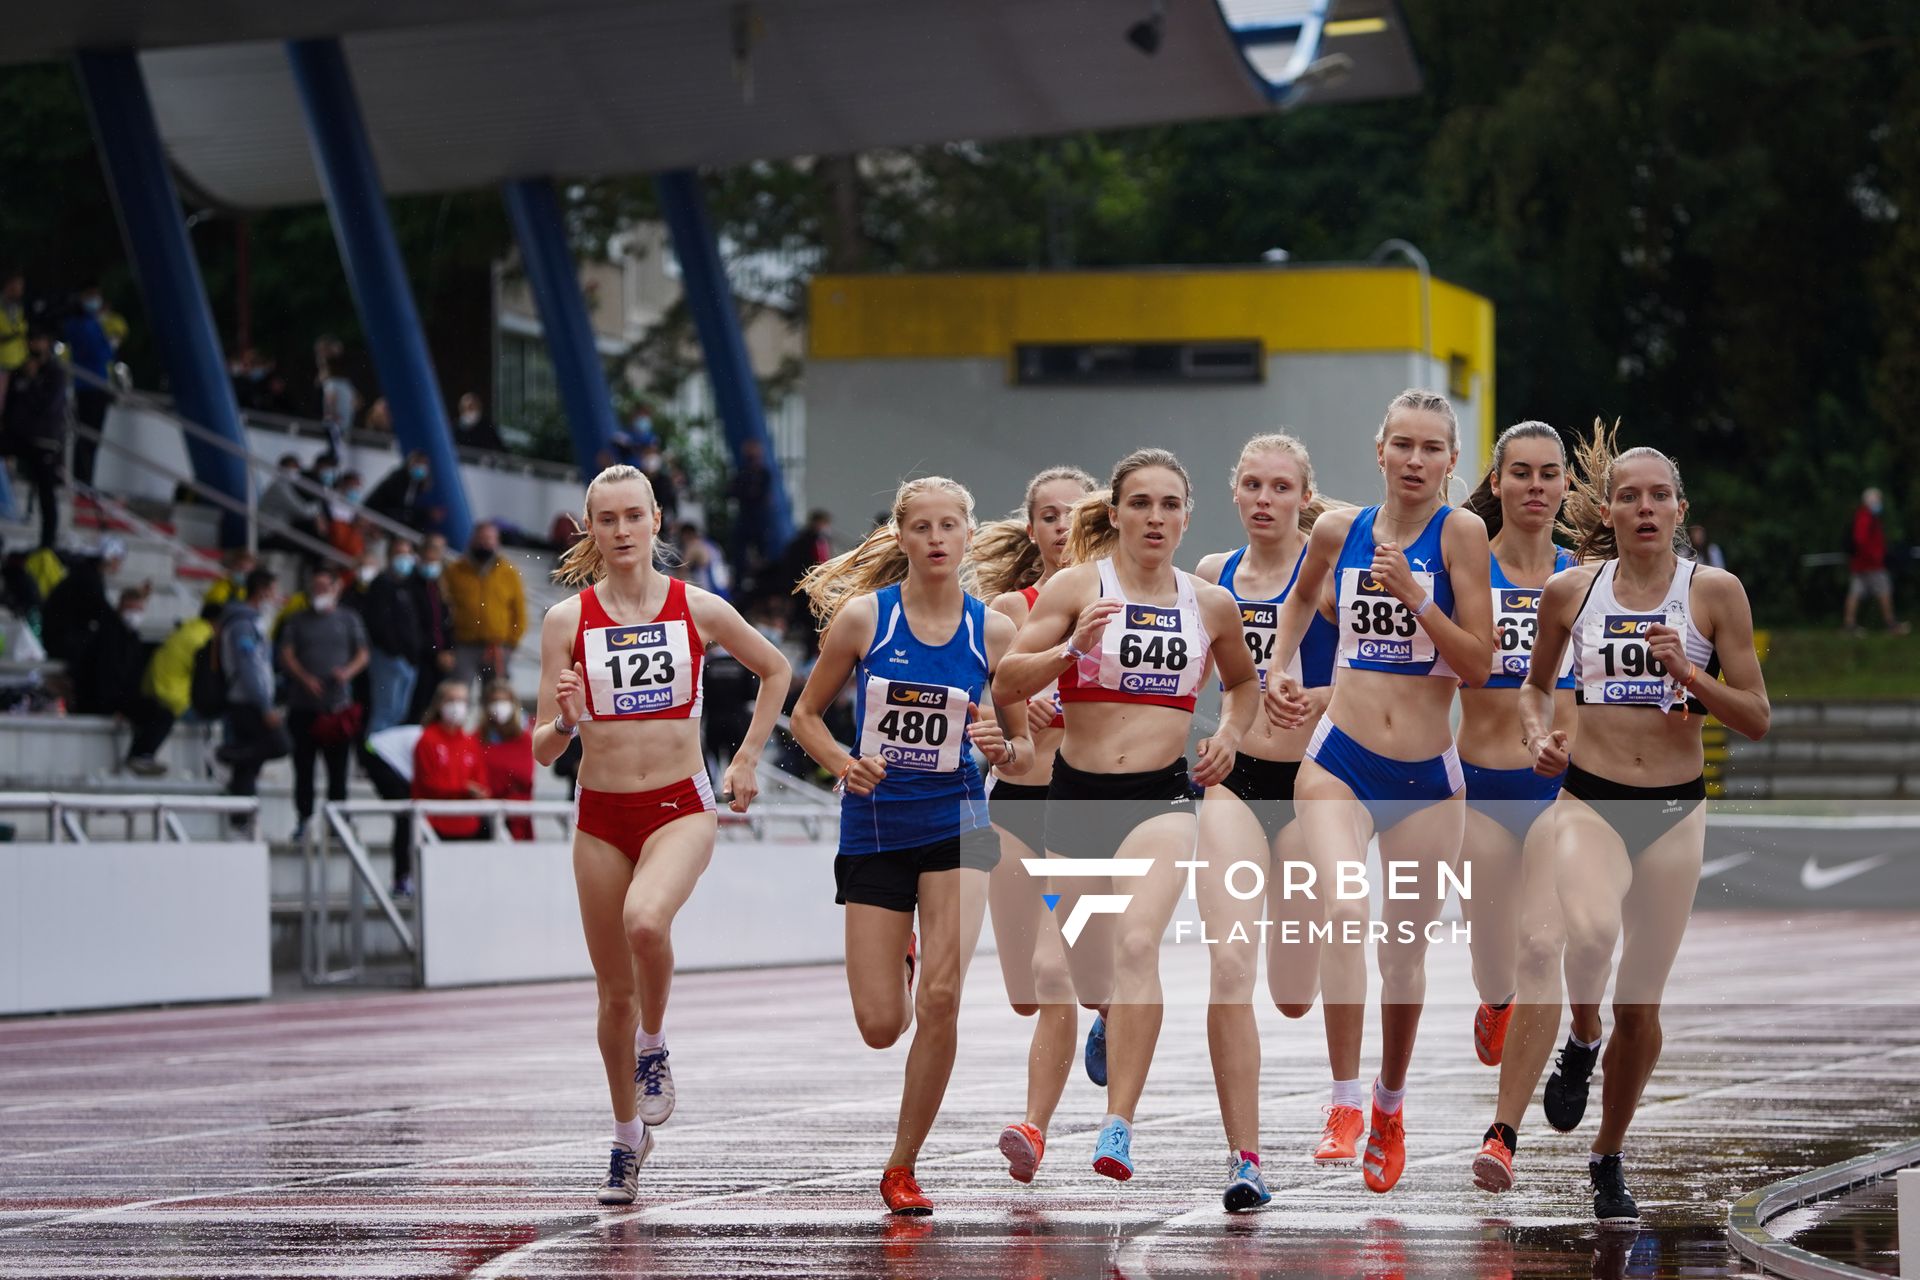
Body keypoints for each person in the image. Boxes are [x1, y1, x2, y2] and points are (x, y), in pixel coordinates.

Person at [1520, 420, 1770, 1226]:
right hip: (1589, 797)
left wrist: (1689, 673)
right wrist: (1540, 736)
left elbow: (1757, 717)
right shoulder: (1573, 591)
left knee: (1644, 1003)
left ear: (1680, 509)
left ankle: (1609, 1152)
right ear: (1611, 512)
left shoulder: (1713, 594)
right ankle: (1580, 1036)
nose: (1646, 507)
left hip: (1672, 809)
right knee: (1588, 935)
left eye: (1660, 494)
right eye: (1630, 496)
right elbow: (1533, 686)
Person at [995, 448, 1259, 1187]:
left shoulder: (1208, 604)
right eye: (1140, 503)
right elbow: (1007, 675)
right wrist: (1066, 650)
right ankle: (1105, 1024)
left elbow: (1242, 686)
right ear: (1113, 514)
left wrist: (1229, 735)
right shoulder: (1079, 586)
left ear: (1186, 515)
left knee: (1139, 941)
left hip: (1162, 800)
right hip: (1076, 801)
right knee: (1059, 972)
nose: (1155, 517)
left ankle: (1114, 1124)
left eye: (1169, 504)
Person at [530, 463, 791, 1207]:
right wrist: (568, 721)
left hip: (681, 805)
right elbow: (542, 747)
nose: (619, 532)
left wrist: (745, 759)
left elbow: (776, 670)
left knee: (646, 919)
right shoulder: (566, 622)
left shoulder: (698, 608)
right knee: (612, 993)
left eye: (631, 517)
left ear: (655, 522)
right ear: (589, 529)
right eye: (604, 519)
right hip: (601, 815)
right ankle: (625, 1138)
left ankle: (655, 1046)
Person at [1266, 389, 1494, 1194]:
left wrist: (1418, 597)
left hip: (1429, 777)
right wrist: (1281, 669)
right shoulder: (1339, 529)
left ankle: (1389, 1104)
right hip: (1341, 759)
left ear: (1451, 461)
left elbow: (1479, 663)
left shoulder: (1462, 534)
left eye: (1431, 448)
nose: (1415, 460)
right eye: (1402, 444)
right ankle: (1342, 1102)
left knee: (1403, 958)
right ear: (1379, 451)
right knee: (1342, 907)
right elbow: (1298, 602)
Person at [790, 475, 1034, 1216]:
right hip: (876, 827)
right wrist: (843, 763)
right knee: (880, 1026)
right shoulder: (867, 621)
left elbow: (1022, 748)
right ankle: (900, 954)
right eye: (921, 527)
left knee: (944, 995)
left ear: (967, 535)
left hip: (960, 825)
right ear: (901, 538)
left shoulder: (992, 633)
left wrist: (1002, 744)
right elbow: (805, 717)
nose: (935, 539)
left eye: (948, 526)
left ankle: (903, 1166)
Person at [1191, 433, 1344, 1210]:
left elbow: (1382, 686)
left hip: (1316, 784)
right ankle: (1244, 1157)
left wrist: (1311, 700)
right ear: (1234, 492)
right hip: (1234, 783)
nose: (1263, 499)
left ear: (1304, 498)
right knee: (1229, 966)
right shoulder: (1212, 578)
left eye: (1280, 487)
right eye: (1251, 484)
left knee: (1291, 993)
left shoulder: (1334, 577)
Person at [1451, 422, 1579, 1194]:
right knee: (1495, 959)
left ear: (1566, 486)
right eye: (1520, 473)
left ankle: (1504, 1133)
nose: (1536, 486)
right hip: (1479, 785)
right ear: (1495, 484)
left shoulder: (1585, 579)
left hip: (1560, 793)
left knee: (1543, 950)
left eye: (1549, 474)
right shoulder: (1469, 573)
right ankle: (1494, 1000)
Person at [963, 465, 1097, 1189]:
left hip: (1089, 804)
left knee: (1055, 976)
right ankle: (1107, 1002)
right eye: (1047, 514)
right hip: (1014, 801)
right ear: (1033, 527)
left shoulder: (1117, 602)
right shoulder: (1004, 610)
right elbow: (976, 713)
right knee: (1024, 990)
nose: (1059, 526)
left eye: (1073, 514)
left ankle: (1033, 1127)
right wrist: (1005, 716)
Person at [278, 565, 371, 842]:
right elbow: (286, 654)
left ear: (336, 589)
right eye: (315, 588)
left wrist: (347, 672)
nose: (319, 593)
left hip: (337, 708)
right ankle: (304, 819)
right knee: (303, 769)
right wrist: (304, 678)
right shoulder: (296, 620)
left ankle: (336, 822)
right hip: (303, 706)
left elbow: (363, 653)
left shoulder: (349, 619)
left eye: (324, 588)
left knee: (338, 771)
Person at [218, 568, 287, 817]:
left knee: (249, 766)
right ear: (263, 591)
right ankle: (225, 754)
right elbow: (248, 666)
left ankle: (242, 816)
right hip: (246, 700)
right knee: (279, 744)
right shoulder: (242, 624)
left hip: (253, 698)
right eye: (274, 591)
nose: (277, 598)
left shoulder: (254, 622)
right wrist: (265, 704)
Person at [3, 324, 70, 550]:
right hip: (18, 436)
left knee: (46, 493)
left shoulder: (55, 373)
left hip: (43, 440)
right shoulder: (20, 370)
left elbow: (49, 407)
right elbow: (11, 406)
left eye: (39, 340)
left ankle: (47, 544)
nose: (35, 345)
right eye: (32, 340)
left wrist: (33, 382)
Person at [135, 602, 219, 777]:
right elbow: (205, 679)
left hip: (153, 688)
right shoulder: (203, 638)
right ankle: (225, 762)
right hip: (174, 695)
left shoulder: (187, 629)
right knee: (226, 713)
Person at [445, 521, 526, 687]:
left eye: (489, 539)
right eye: (481, 538)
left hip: (497, 646)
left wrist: (511, 643)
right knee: (458, 691)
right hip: (464, 645)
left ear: (497, 542)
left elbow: (519, 611)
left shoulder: (508, 572)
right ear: (473, 540)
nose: (485, 543)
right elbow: (444, 605)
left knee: (495, 696)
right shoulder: (455, 570)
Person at [412, 681, 489, 839]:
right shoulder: (427, 739)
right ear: (439, 704)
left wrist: (477, 790)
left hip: (468, 824)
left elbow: (481, 781)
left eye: (461, 701)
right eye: (451, 700)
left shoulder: (470, 742)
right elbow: (429, 783)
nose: (456, 706)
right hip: (434, 825)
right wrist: (464, 789)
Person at [361, 538, 423, 735]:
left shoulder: (408, 586)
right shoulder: (381, 585)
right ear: (389, 556)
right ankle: (375, 760)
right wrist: (395, 650)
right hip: (388, 658)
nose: (403, 559)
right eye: (399, 554)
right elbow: (379, 624)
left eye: (407, 554)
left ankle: (386, 759)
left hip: (407, 660)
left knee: (398, 714)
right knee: (383, 714)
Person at [62, 283, 113, 488]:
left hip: (98, 385)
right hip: (88, 386)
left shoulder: (93, 322)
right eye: (92, 296)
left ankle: (86, 480)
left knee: (93, 438)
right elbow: (99, 352)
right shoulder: (80, 324)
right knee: (86, 436)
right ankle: (82, 481)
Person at [1844, 487, 1908, 634]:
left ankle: (1849, 624)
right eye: (1878, 500)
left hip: (1861, 564)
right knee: (1884, 590)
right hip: (1870, 564)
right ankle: (1891, 624)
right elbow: (1861, 541)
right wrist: (1875, 556)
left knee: (1855, 593)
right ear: (1872, 501)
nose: (1880, 503)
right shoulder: (1865, 518)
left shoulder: (1866, 517)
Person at [409, 532, 456, 721]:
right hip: (421, 657)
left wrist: (449, 650)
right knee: (416, 707)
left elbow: (446, 623)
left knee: (434, 709)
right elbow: (415, 625)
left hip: (440, 657)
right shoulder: (411, 584)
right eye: (431, 551)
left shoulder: (440, 585)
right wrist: (436, 652)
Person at [480, 679, 534, 839]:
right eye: (494, 701)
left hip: (517, 817)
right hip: (484, 817)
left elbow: (523, 777)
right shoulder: (478, 738)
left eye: (503, 701)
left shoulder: (524, 739)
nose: (499, 706)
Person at [727, 437, 775, 581]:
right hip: (746, 518)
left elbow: (758, 494)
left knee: (762, 554)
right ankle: (741, 581)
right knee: (740, 554)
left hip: (759, 519)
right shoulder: (742, 473)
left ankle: (763, 581)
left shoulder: (763, 474)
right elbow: (732, 492)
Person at [367, 450, 438, 533]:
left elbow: (408, 510)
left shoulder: (418, 485)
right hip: (378, 520)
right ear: (409, 463)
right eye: (418, 463)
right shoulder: (397, 479)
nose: (420, 467)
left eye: (424, 464)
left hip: (394, 523)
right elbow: (396, 507)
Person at [675, 521, 730, 598]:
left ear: (686, 535)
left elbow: (681, 573)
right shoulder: (712, 544)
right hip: (724, 590)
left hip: (711, 592)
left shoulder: (693, 546)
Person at [0, 270, 25, 411]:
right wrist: (11, 336)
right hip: (2, 364)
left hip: (18, 364)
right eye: (18, 285)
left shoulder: (18, 307)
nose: (20, 289)